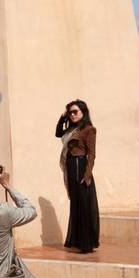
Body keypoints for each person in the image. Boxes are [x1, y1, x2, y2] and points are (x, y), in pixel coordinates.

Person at [56, 100, 99, 253]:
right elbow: (57, 133)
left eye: (75, 112)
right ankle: (78, 241)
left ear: (83, 112)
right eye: (70, 112)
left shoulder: (89, 129)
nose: (72, 115)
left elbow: (92, 154)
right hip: (70, 168)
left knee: (84, 205)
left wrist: (87, 175)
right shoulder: (71, 130)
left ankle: (87, 244)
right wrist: (62, 118)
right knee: (75, 205)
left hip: (81, 168)